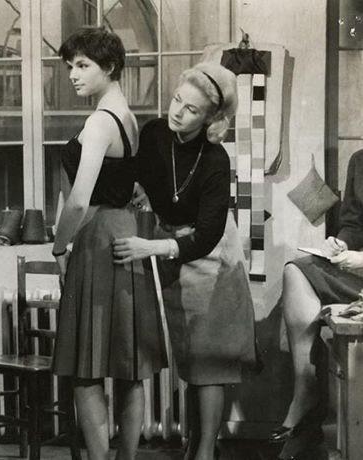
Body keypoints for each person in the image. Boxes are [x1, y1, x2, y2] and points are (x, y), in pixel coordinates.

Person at [114, 62, 257, 460]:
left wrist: (151, 247)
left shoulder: (215, 160)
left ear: (210, 119)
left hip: (213, 260)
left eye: (191, 109)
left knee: (208, 364)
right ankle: (195, 447)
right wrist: (141, 190)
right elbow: (141, 175)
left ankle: (205, 452)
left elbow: (208, 235)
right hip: (172, 251)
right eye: (177, 100)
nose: (178, 111)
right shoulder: (155, 133)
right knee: (191, 359)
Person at [50, 27, 166, 460]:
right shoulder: (128, 118)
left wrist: (59, 247)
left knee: (87, 370)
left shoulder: (100, 121)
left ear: (110, 66)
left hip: (98, 238)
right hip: (125, 231)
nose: (73, 75)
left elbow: (79, 200)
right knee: (129, 368)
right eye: (70, 66)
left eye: (83, 65)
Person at [273, 149, 363, 456]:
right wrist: (341, 243)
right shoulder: (359, 160)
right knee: (297, 271)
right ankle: (306, 388)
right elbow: (353, 224)